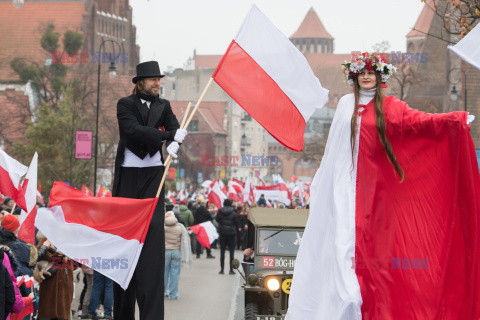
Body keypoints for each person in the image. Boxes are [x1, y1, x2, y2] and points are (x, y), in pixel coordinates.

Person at [287, 52, 480, 319]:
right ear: (355, 77)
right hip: (341, 191)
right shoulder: (344, 105)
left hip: (373, 195)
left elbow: (419, 122)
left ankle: (364, 308)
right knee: (339, 247)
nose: (367, 77)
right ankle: (339, 307)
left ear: (379, 77)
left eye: (371, 73)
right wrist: (322, 184)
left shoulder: (390, 107)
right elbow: (332, 150)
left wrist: (453, 121)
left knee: (371, 260)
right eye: (362, 73)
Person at [111, 61, 187, 320]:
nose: (158, 83)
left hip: (154, 176)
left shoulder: (164, 106)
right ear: (140, 82)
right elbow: (131, 131)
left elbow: (175, 128)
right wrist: (166, 138)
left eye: (159, 79)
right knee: (125, 243)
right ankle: (122, 313)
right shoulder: (125, 104)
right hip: (129, 179)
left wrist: (177, 139)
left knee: (153, 248)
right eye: (153, 79)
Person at [164, 211, 191, 300]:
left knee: (164, 272)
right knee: (175, 273)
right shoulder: (180, 227)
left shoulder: (162, 227)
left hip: (166, 251)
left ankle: (164, 291)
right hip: (177, 251)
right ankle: (174, 294)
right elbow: (185, 240)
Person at [215, 199, 237, 275]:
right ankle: (231, 270)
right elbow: (236, 222)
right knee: (231, 252)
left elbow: (217, 219)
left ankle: (222, 269)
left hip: (222, 233)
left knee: (222, 252)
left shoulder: (220, 211)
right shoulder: (234, 212)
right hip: (231, 233)